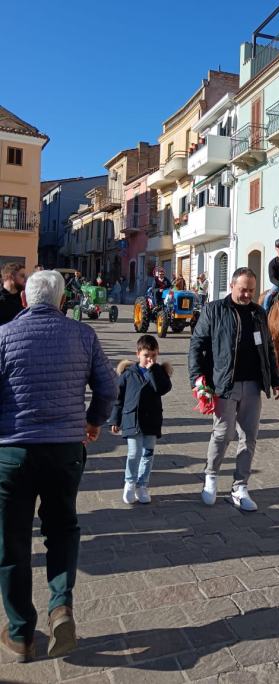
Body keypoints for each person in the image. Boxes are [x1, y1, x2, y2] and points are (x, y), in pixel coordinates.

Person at [0, 270, 116, 661]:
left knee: (11, 542)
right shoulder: (83, 336)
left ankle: (19, 635)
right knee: (62, 528)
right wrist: (94, 420)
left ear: (24, 301)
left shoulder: (2, 337)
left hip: (12, 454)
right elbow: (108, 386)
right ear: (63, 301)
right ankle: (60, 607)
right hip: (65, 449)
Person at [188, 267, 279, 511]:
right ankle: (210, 477)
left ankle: (240, 487)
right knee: (222, 434)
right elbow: (197, 346)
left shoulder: (259, 313)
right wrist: (198, 380)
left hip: (252, 385)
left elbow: (268, 350)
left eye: (251, 290)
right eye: (243, 289)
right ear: (232, 286)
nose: (247, 294)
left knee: (249, 436)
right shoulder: (214, 310)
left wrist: (275, 379)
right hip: (223, 384)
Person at [109, 335, 173, 505]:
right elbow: (118, 398)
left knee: (148, 453)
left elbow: (162, 389)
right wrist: (115, 419)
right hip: (132, 419)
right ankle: (129, 483)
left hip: (152, 420)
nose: (149, 359)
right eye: (146, 355)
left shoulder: (159, 372)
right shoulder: (128, 374)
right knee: (134, 452)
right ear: (138, 354)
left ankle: (142, 485)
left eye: (153, 355)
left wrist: (153, 371)